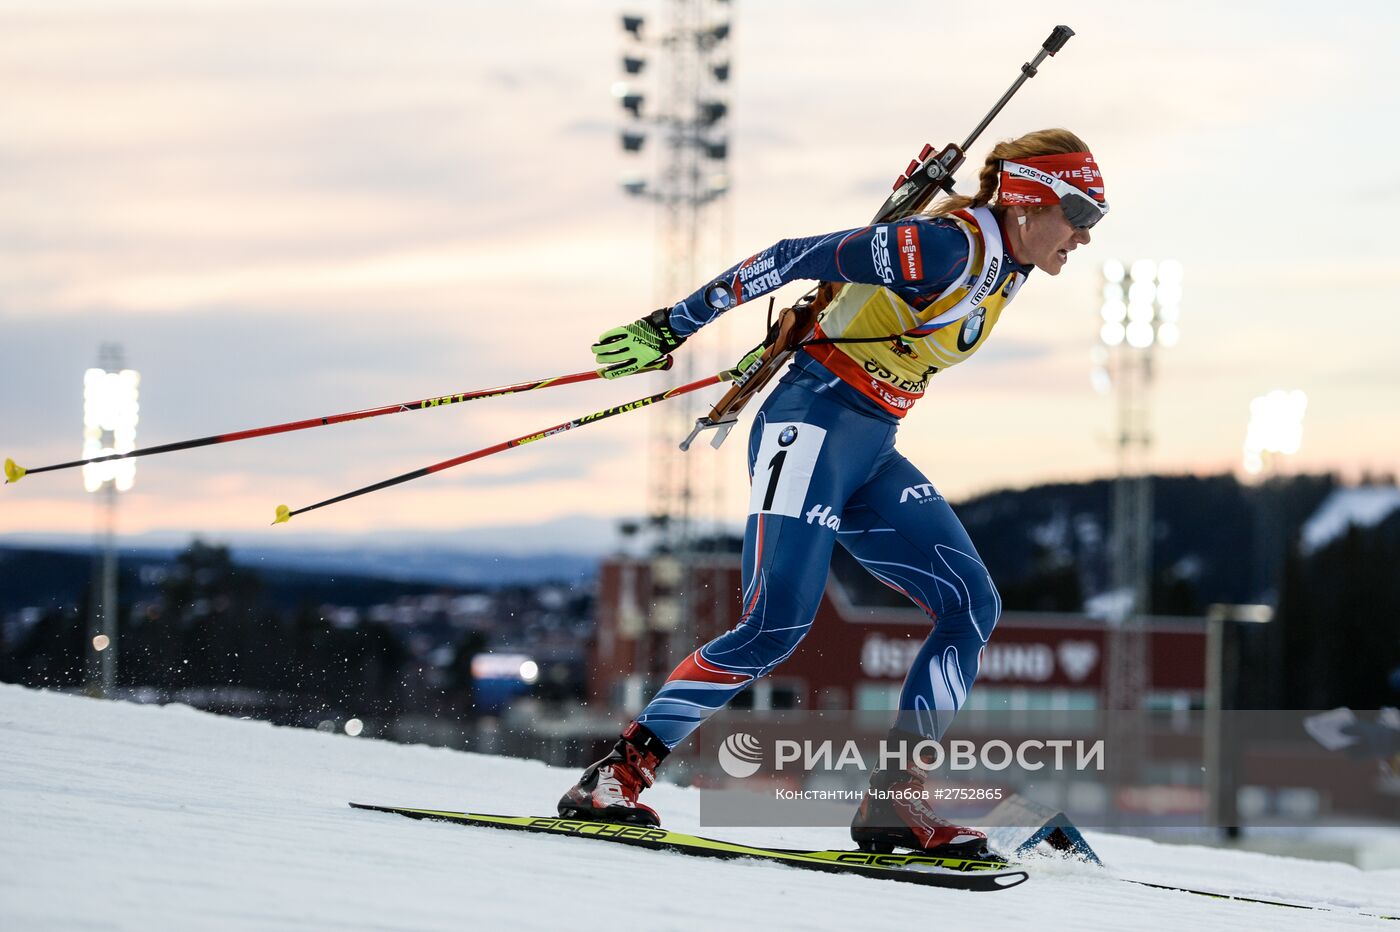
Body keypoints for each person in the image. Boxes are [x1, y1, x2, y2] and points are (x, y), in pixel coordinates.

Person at [559, 128, 1108, 857]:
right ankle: (614, 775)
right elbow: (789, 256)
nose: (1085, 236)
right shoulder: (943, 248)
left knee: (971, 602)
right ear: (1032, 201)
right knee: (775, 624)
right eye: (1081, 213)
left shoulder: (1015, 258)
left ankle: (895, 800)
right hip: (809, 426)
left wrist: (917, 189)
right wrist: (674, 325)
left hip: (871, 446)